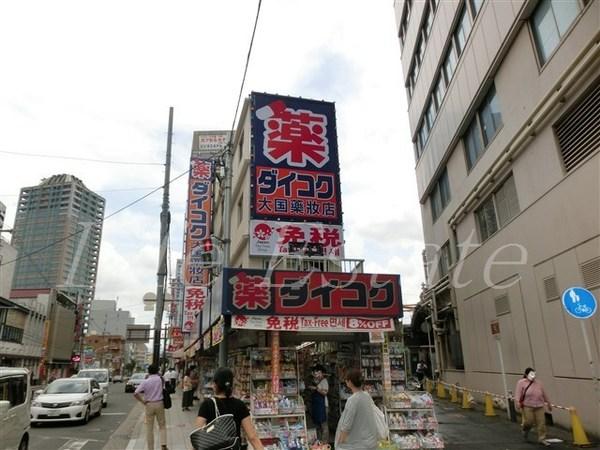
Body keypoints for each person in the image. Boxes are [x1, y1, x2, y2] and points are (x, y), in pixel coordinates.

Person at [196, 367, 264, 450]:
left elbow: (197, 436)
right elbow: (252, 437)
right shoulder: (240, 405)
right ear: (232, 385)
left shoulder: (207, 404)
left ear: (215, 384)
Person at [335, 368, 379, 450]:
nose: (345, 381)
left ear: (350, 382)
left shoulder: (352, 400)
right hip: (371, 442)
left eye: (346, 380)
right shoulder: (367, 396)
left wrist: (339, 442)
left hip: (358, 445)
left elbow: (346, 426)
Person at [133, 364, 168, 450]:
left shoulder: (146, 381)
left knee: (149, 428)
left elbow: (135, 393)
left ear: (148, 371)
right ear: (157, 371)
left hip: (149, 404)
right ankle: (163, 445)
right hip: (159, 403)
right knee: (162, 425)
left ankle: (150, 448)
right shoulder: (161, 379)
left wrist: (142, 401)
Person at [515, 367, 552, 447]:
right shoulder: (521, 382)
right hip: (527, 406)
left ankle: (542, 438)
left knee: (541, 423)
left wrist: (548, 403)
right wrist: (517, 403)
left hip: (539, 405)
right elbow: (518, 393)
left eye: (534, 374)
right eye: (531, 374)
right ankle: (525, 430)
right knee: (529, 422)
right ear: (526, 374)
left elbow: (544, 393)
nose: (533, 376)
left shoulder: (539, 383)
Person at [308, 364, 329, 443]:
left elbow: (325, 393)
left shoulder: (324, 381)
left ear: (322, 373)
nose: (317, 375)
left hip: (323, 406)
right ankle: (319, 441)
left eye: (319, 373)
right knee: (318, 424)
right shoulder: (316, 381)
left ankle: (325, 442)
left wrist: (316, 389)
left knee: (324, 425)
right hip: (318, 406)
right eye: (316, 373)